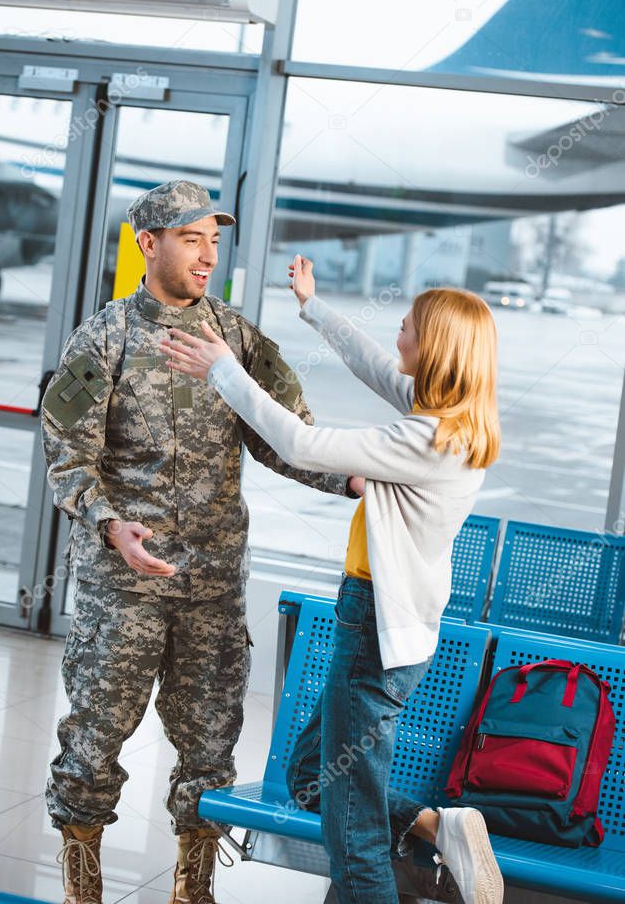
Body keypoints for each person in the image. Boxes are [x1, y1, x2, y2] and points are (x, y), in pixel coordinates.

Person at [41, 185, 355, 904]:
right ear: (147, 243)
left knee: (211, 744)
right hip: (123, 583)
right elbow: (68, 454)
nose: (208, 253)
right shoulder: (105, 337)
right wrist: (111, 524)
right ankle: (81, 882)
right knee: (94, 733)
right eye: (190, 237)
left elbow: (287, 436)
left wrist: (354, 481)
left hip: (210, 584)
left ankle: (194, 884)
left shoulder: (236, 341)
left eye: (214, 239)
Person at [160, 253, 504, 904]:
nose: (396, 333)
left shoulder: (425, 438)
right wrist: (311, 307)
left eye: (406, 326)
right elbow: (373, 361)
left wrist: (221, 370)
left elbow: (297, 443)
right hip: (386, 626)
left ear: (433, 351)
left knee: (354, 838)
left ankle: (407, 847)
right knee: (307, 774)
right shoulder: (454, 419)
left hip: (373, 630)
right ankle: (437, 824)